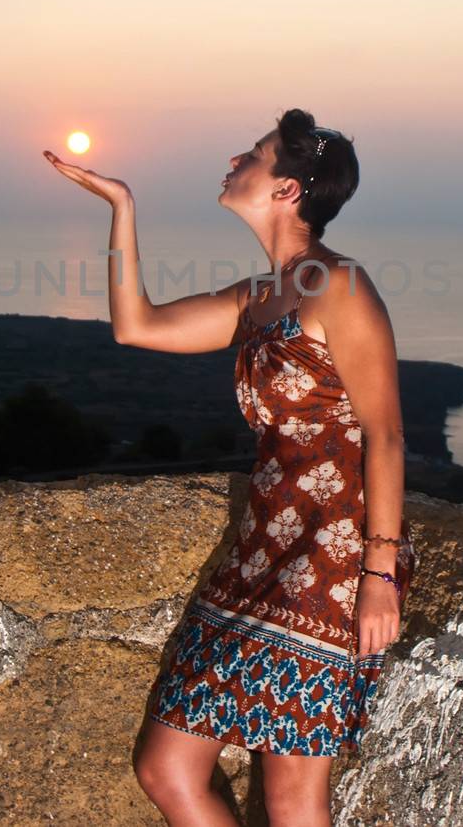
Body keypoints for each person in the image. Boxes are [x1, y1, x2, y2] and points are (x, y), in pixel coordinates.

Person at [45, 107, 415, 827]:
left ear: (286, 190)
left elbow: (387, 433)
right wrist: (122, 208)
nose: (234, 161)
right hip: (259, 549)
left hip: (331, 560)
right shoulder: (256, 298)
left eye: (252, 154)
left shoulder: (339, 286)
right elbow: (137, 325)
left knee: (292, 797)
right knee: (167, 766)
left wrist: (378, 573)